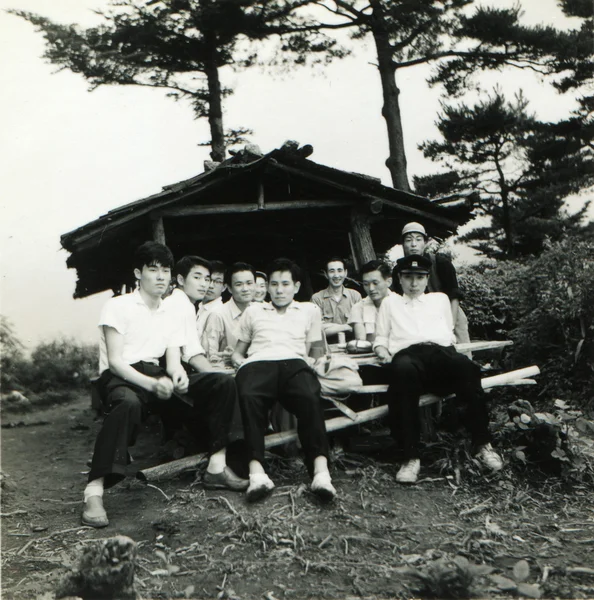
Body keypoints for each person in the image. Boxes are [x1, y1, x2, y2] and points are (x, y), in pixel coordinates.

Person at [82, 243, 188, 528]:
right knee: (127, 404)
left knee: (211, 389)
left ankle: (218, 463)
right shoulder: (118, 306)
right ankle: (94, 491)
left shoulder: (172, 312)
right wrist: (153, 385)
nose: (161, 276)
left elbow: (174, 360)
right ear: (138, 273)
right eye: (153, 269)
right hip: (121, 375)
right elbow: (116, 362)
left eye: (166, 270)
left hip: (155, 372)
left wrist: (177, 376)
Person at [374, 254, 503, 484]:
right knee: (402, 374)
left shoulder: (440, 299)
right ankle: (410, 457)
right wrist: (382, 351)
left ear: (426, 279)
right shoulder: (389, 302)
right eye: (408, 277)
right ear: (399, 279)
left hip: (439, 352)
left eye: (420, 278)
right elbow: (381, 337)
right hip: (408, 355)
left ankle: (483, 444)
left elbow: (448, 333)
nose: (414, 283)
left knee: (467, 368)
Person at [231, 258, 335, 502]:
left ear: (296, 287)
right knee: (247, 397)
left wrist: (316, 360)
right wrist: (238, 362)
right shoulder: (254, 310)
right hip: (257, 363)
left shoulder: (309, 310)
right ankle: (257, 475)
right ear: (267, 287)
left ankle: (321, 473)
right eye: (274, 284)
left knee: (310, 395)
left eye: (285, 284)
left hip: (294, 362)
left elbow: (316, 347)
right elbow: (239, 350)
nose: (279, 290)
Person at [163, 255, 249, 487]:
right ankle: (222, 465)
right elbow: (190, 353)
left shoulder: (184, 304)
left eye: (208, 279)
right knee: (225, 385)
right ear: (180, 279)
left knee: (221, 384)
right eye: (197, 277)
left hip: (171, 371)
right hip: (163, 376)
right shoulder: (179, 304)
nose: (205, 284)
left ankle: (225, 461)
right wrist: (216, 374)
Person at [392, 222, 470, 344]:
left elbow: (454, 296)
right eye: (408, 240)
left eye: (418, 240)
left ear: (425, 242)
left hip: (449, 313)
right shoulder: (399, 269)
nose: (413, 245)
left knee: (460, 355)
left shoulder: (440, 262)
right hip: (419, 318)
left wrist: (451, 327)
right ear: (402, 244)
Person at [202, 262, 256, 365]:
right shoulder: (218, 315)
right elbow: (210, 356)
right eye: (239, 284)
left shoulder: (261, 311)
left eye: (249, 283)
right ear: (229, 288)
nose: (245, 289)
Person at [311, 257, 361, 343]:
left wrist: (329, 327)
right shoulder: (317, 299)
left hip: (352, 345)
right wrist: (346, 327)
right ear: (326, 274)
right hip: (328, 347)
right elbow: (316, 331)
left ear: (345, 273)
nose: (336, 275)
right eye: (332, 271)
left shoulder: (355, 296)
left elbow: (361, 327)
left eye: (339, 270)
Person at [349, 260, 394, 343]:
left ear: (388, 282)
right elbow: (361, 341)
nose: (371, 289)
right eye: (366, 284)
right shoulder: (358, 308)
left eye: (375, 283)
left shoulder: (401, 304)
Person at [196, 260, 226, 339]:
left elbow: (211, 350)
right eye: (208, 279)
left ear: (224, 287)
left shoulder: (217, 313)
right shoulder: (202, 307)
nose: (211, 286)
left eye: (217, 282)